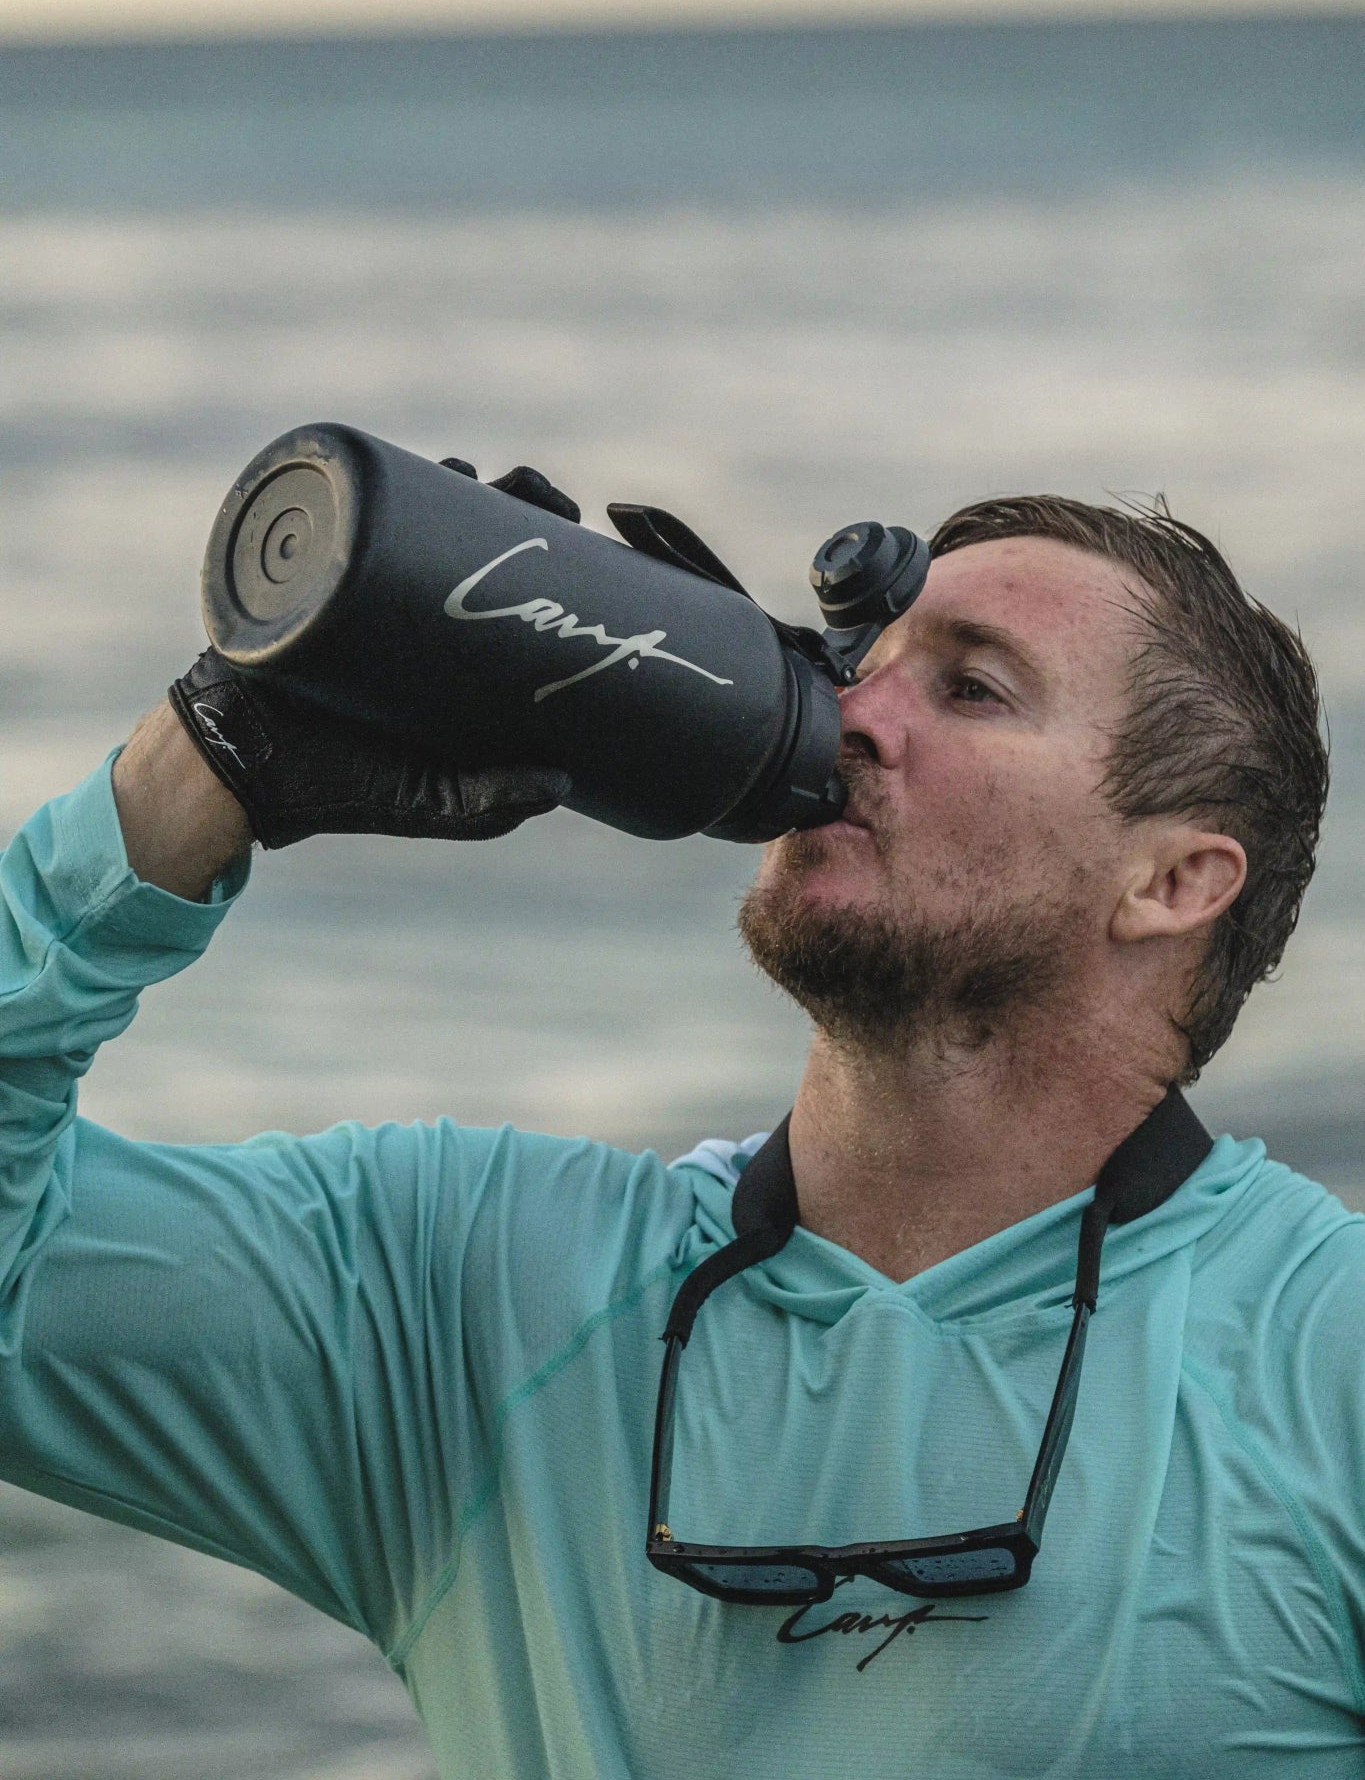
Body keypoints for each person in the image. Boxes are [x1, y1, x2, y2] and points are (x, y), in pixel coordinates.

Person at [0, 482, 1348, 1779]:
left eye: (971, 688)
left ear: (1175, 880)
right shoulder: (472, 1294)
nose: (849, 714)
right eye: (857, 663)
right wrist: (209, 761)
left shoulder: (1326, 1360)